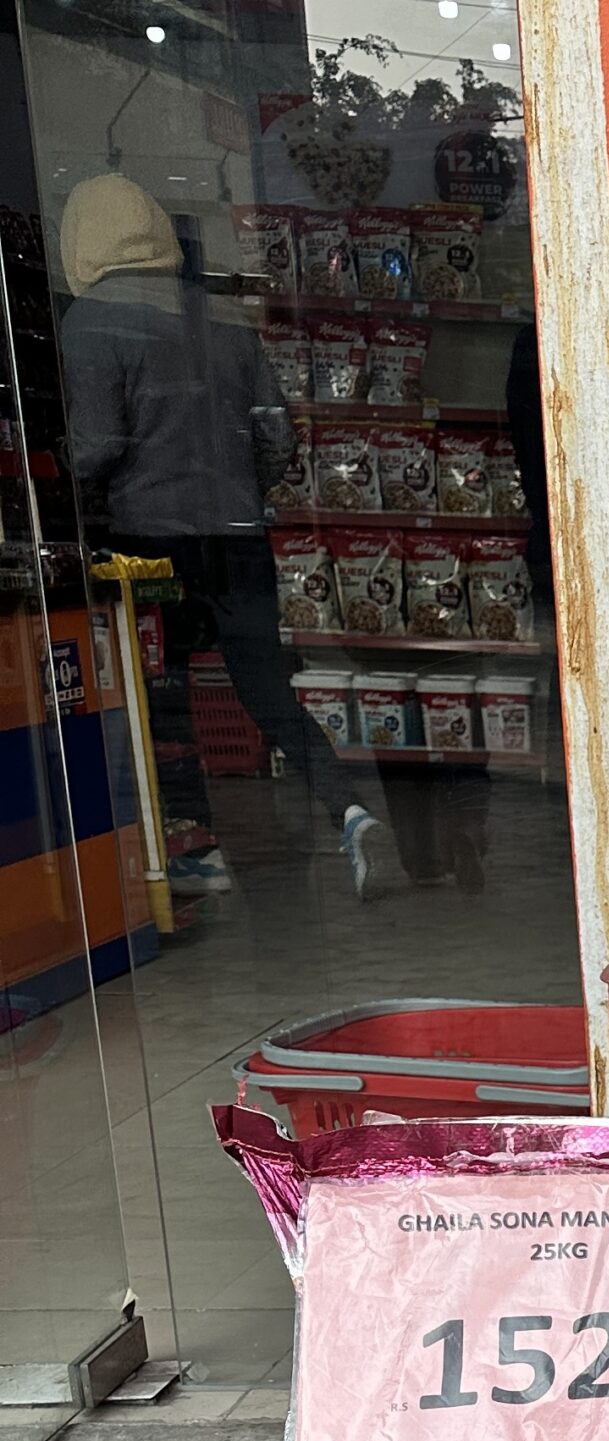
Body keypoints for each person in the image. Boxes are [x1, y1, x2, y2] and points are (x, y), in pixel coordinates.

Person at [57, 173, 404, 899]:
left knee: (163, 698)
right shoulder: (221, 317)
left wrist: (60, 475)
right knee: (269, 694)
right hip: (240, 538)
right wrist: (241, 490)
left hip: (148, 546)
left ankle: (197, 850)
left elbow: (96, 447)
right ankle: (350, 810)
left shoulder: (90, 322)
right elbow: (277, 436)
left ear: (80, 244)